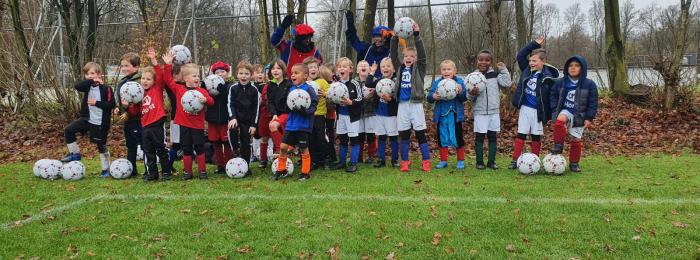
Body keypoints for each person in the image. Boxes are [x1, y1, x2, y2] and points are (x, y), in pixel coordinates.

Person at [162, 50, 214, 180]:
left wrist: (206, 100)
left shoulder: (201, 91)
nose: (197, 78)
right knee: (186, 149)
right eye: (194, 76)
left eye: (198, 76)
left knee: (200, 148)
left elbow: (212, 101)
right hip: (184, 125)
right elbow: (167, 80)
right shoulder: (179, 89)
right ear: (185, 78)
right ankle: (187, 172)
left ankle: (202, 172)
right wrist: (168, 65)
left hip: (198, 126)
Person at [509, 36, 560, 170]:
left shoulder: (548, 78)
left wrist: (553, 113)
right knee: (521, 134)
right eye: (530, 60)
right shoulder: (526, 70)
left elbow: (552, 97)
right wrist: (534, 44)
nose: (531, 63)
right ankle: (515, 160)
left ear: (543, 62)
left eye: (534, 61)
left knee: (536, 136)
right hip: (525, 108)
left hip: (538, 111)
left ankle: (535, 160)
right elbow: (521, 55)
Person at [61, 62, 115, 178]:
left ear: (99, 74)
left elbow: (111, 105)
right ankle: (75, 154)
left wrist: (97, 103)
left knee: (101, 145)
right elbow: (77, 86)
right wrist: (91, 80)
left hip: (100, 122)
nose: (89, 76)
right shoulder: (87, 86)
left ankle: (106, 169)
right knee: (69, 130)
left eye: (92, 73)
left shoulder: (107, 89)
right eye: (87, 74)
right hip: (87, 119)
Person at [389, 22, 431, 172]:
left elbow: (423, 55)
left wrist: (417, 35)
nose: (408, 58)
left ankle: (426, 160)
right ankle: (405, 161)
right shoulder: (400, 67)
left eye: (411, 56)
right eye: (406, 56)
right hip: (403, 105)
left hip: (416, 105)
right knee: (404, 134)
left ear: (415, 59)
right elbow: (393, 55)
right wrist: (394, 39)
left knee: (420, 133)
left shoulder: (419, 69)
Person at [548, 55, 598, 173]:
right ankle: (558, 145)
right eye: (570, 66)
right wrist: (555, 109)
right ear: (566, 68)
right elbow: (553, 96)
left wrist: (589, 118)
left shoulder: (589, 84)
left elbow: (593, 103)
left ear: (582, 68)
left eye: (576, 66)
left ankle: (574, 163)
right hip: (566, 110)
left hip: (579, 114)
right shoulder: (561, 82)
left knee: (576, 139)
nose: (573, 68)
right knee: (560, 120)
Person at [274, 63, 318, 181]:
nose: (293, 75)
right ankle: (281, 170)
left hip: (303, 125)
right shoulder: (290, 89)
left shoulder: (309, 89)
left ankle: (305, 173)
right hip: (291, 124)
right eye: (292, 73)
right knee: (283, 147)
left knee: (303, 149)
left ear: (305, 76)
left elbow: (314, 106)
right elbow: (286, 106)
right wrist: (287, 106)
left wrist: (306, 111)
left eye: (296, 73)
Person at [469, 50, 512, 170]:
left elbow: (507, 83)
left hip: (494, 112)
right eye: (481, 60)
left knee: (493, 136)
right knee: (480, 137)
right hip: (480, 112)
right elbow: (468, 97)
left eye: (487, 60)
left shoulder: (496, 75)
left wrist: (503, 69)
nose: (483, 62)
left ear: (491, 62)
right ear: (477, 61)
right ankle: (479, 162)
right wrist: (472, 94)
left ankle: (491, 162)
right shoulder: (473, 77)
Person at [427, 60, 468, 170]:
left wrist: (461, 92)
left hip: (455, 115)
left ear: (454, 71)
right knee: (442, 138)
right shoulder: (437, 83)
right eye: (444, 69)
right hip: (441, 115)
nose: (446, 71)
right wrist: (433, 96)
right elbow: (429, 96)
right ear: (441, 71)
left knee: (458, 137)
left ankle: (460, 160)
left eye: (449, 69)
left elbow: (464, 97)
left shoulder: (459, 82)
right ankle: (443, 160)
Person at [139, 48, 172, 181]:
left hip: (157, 122)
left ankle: (165, 172)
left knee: (160, 148)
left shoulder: (156, 88)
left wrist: (154, 61)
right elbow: (135, 111)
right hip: (145, 125)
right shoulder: (137, 93)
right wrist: (125, 106)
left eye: (148, 79)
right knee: (148, 150)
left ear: (154, 81)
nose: (145, 81)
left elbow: (160, 74)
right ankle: (152, 173)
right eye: (143, 78)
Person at [227, 61, 260, 177]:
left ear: (251, 75)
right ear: (237, 75)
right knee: (232, 128)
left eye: (246, 73)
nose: (244, 76)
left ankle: (246, 165)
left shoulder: (254, 90)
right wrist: (232, 117)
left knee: (246, 143)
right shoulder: (233, 88)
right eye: (241, 73)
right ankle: (235, 151)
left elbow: (256, 109)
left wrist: (253, 125)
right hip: (236, 119)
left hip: (248, 121)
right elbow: (230, 104)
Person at [332, 57, 363, 173]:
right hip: (340, 117)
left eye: (344, 66)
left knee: (354, 140)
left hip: (352, 118)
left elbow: (361, 100)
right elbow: (332, 98)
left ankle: (354, 163)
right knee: (343, 140)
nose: (341, 68)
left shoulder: (355, 83)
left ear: (350, 70)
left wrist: (351, 102)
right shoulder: (336, 85)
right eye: (339, 67)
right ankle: (342, 162)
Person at [114, 52, 142, 178]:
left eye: (127, 66)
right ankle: (132, 170)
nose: (124, 68)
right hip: (127, 120)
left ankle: (149, 170)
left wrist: (128, 112)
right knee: (130, 146)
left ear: (136, 67)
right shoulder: (123, 81)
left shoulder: (140, 81)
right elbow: (122, 100)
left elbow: (138, 103)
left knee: (144, 145)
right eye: (122, 66)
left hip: (138, 120)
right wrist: (118, 109)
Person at [344, 10, 392, 78]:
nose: (376, 39)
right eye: (375, 37)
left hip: (384, 84)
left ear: (386, 38)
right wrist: (350, 24)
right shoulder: (366, 49)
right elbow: (354, 40)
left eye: (379, 37)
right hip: (366, 83)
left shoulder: (391, 53)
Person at [303, 57, 330, 170]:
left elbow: (331, 94)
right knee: (311, 139)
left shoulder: (322, 82)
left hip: (319, 115)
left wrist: (324, 94)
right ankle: (313, 161)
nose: (313, 69)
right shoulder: (304, 83)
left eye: (315, 67)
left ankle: (324, 160)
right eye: (310, 67)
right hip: (308, 115)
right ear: (306, 71)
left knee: (320, 138)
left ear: (318, 69)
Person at [206, 61, 233, 174]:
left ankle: (228, 163)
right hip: (212, 119)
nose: (220, 74)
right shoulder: (209, 86)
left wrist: (223, 90)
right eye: (217, 72)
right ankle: (220, 165)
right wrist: (204, 89)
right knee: (216, 142)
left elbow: (230, 98)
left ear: (227, 73)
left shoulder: (229, 86)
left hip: (225, 119)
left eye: (223, 72)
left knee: (226, 142)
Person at [372, 57, 400, 168]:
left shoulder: (396, 82)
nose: (385, 68)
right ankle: (381, 159)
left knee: (393, 137)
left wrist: (390, 99)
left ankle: (394, 160)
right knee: (381, 137)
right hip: (379, 113)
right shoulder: (378, 81)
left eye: (388, 66)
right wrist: (372, 72)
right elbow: (369, 83)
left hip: (391, 114)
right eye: (383, 66)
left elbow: (398, 98)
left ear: (393, 69)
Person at [266, 60, 293, 157]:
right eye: (273, 69)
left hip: (288, 114)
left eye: (278, 68)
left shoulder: (289, 84)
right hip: (276, 115)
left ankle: (282, 148)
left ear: (283, 70)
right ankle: (282, 150)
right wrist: (274, 114)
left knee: (272, 125)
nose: (275, 71)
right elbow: (270, 102)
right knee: (273, 126)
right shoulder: (270, 86)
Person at [356, 60, 378, 164]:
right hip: (358, 113)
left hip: (371, 112)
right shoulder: (353, 82)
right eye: (361, 66)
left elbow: (380, 95)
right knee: (359, 135)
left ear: (369, 69)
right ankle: (358, 156)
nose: (363, 66)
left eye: (366, 65)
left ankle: (371, 156)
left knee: (370, 135)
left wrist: (373, 96)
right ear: (357, 70)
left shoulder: (375, 81)